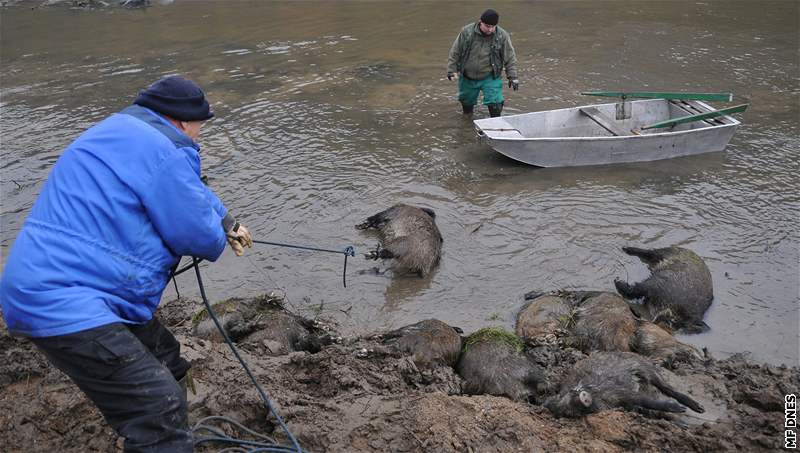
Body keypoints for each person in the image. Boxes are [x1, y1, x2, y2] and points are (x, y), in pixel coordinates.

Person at [0, 75, 253, 452]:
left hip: (56, 283)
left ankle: (171, 435)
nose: (200, 133)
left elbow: (190, 192)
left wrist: (227, 219)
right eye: (201, 124)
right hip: (66, 300)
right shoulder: (165, 151)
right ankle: (162, 436)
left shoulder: (116, 132)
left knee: (165, 358)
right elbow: (194, 233)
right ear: (183, 121)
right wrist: (220, 234)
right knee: (157, 404)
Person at [447, 8, 519, 117]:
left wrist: (512, 77)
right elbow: (455, 52)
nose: (490, 29)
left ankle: (496, 125)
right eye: (487, 26)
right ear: (480, 22)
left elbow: (510, 57)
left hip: (490, 76)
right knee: (466, 104)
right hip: (467, 76)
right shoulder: (467, 32)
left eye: (493, 27)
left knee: (495, 103)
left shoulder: (502, 36)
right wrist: (451, 70)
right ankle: (467, 125)